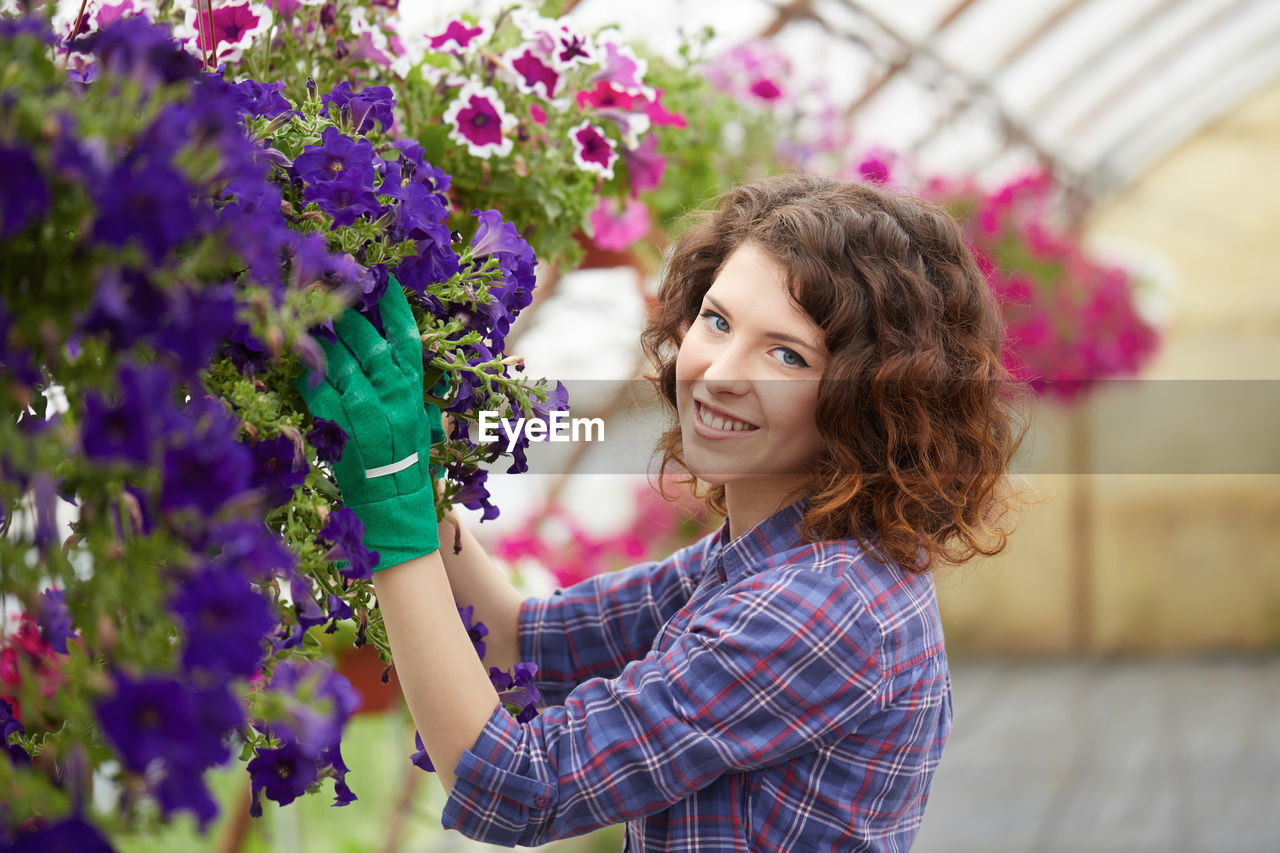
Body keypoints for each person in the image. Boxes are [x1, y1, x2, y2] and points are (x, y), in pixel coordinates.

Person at [294, 174, 1022, 850]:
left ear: (871, 400)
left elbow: (514, 786)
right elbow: (523, 641)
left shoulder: (820, 606)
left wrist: (391, 506)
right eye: (717, 321)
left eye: (787, 355)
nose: (721, 372)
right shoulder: (767, 554)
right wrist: (415, 476)